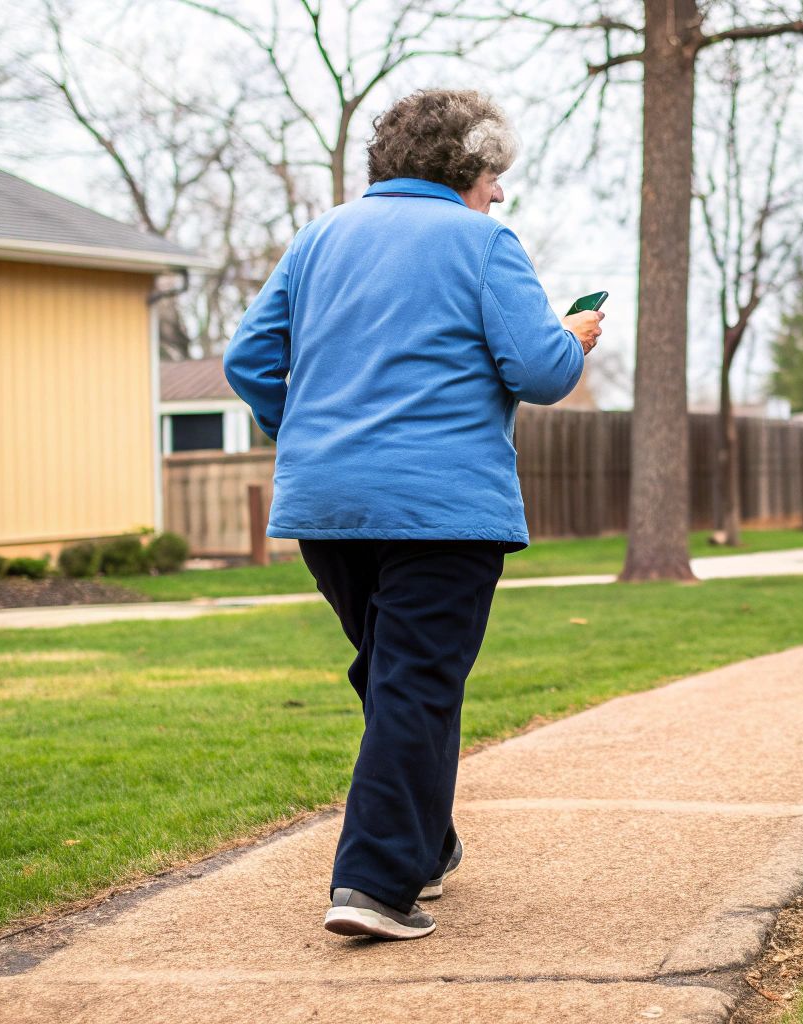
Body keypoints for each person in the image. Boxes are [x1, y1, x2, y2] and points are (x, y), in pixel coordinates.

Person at [223, 89, 601, 941]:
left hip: (329, 508)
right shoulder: (482, 241)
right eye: (494, 174)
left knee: (394, 676)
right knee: (414, 683)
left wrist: (305, 431)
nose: (500, 193)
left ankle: (424, 844)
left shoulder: (319, 237)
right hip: (444, 509)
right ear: (466, 167)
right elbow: (540, 373)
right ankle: (373, 883)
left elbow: (248, 357)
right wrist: (572, 333)